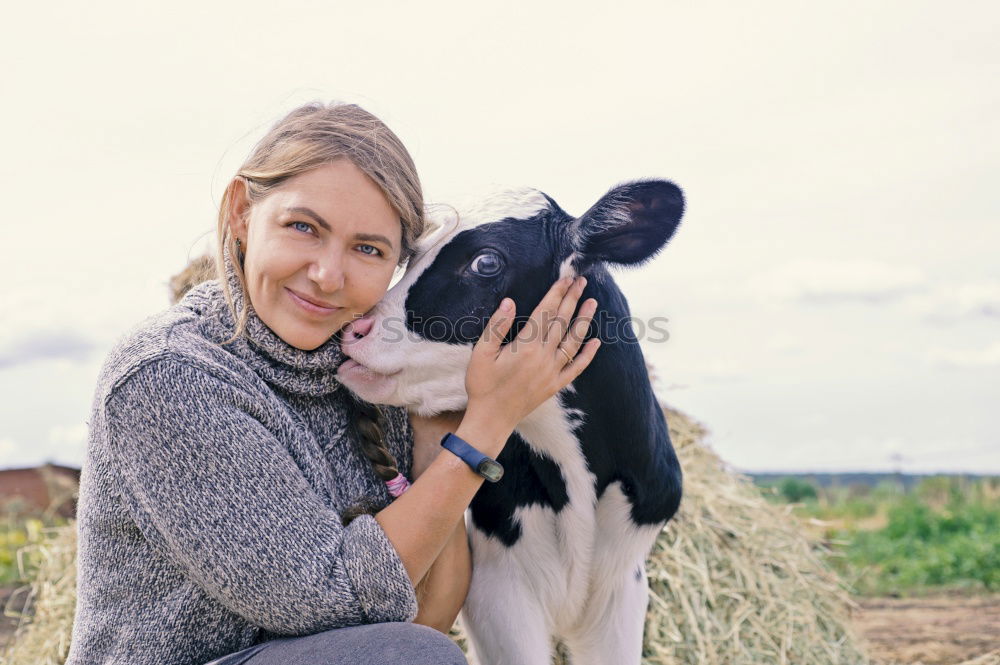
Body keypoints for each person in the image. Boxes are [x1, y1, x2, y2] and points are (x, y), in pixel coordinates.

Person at [64, 101, 600, 665]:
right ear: (242, 211)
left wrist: (430, 429)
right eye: (304, 228)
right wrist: (489, 422)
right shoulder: (170, 377)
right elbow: (332, 600)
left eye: (368, 249)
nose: (327, 276)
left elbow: (432, 612)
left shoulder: (364, 378)